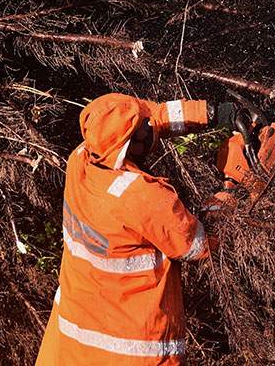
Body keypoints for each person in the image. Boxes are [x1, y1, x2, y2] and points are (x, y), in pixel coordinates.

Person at [35, 93, 234, 366]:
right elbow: (200, 243)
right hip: (136, 354)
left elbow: (143, 119)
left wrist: (207, 113)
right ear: (130, 144)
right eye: (143, 127)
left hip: (73, 346)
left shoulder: (80, 162)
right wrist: (232, 190)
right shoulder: (142, 197)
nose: (150, 127)